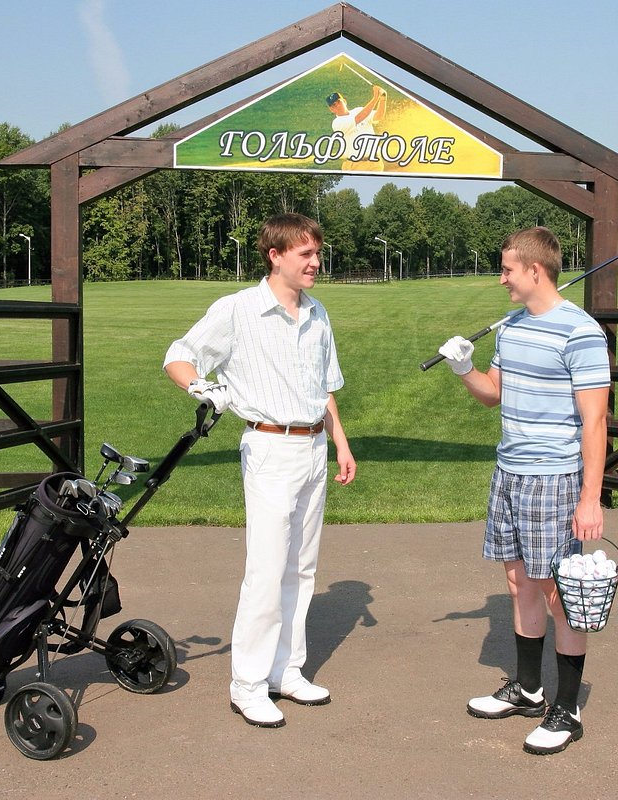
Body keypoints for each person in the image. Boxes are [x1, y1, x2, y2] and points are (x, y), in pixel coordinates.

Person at [163, 212, 356, 729]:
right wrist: (200, 387)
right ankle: (247, 685)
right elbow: (179, 356)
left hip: (314, 447)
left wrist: (340, 443)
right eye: (305, 254)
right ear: (275, 255)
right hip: (269, 448)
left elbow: (324, 387)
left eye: (317, 253)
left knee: (302, 569)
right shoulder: (237, 309)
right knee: (267, 571)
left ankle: (285, 671)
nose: (315, 262)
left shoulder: (317, 313)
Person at [437, 226, 610, 755]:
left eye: (507, 269)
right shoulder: (511, 327)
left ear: (535, 270)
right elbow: (493, 394)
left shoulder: (581, 333)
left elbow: (596, 420)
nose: (502, 279)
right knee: (519, 584)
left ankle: (567, 708)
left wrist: (590, 498)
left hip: (553, 478)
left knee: (559, 592)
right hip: (509, 471)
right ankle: (530, 690)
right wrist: (464, 369)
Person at [326, 87, 386, 171]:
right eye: (334, 105)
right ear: (331, 109)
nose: (337, 105)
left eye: (339, 102)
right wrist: (375, 98)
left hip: (374, 162)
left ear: (344, 101)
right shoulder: (337, 123)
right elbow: (359, 117)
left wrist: (383, 99)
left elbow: (378, 116)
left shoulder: (358, 110)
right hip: (354, 165)